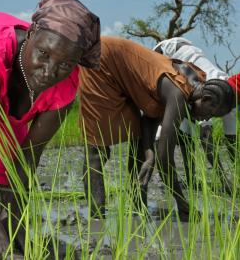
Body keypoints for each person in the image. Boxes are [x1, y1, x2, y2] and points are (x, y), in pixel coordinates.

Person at [0, 0, 100, 259]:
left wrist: (16, 234)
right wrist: (1, 246)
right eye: (44, 54)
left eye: (65, 64)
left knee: (7, 164)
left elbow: (23, 167)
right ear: (33, 31)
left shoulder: (65, 88)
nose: (49, 72)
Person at [79, 36, 235, 220]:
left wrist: (148, 154)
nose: (206, 119)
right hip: (102, 60)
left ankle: (138, 208)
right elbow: (164, 158)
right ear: (207, 99)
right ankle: (96, 218)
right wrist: (181, 202)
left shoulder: (196, 81)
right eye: (211, 113)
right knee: (98, 148)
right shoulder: (179, 94)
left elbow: (150, 116)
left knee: (139, 145)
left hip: (121, 70)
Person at [153, 37, 237, 193]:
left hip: (189, 61)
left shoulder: (229, 102)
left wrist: (236, 167)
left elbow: (232, 141)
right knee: (173, 123)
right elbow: (206, 139)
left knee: (188, 127)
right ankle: (164, 178)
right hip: (167, 54)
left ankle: (190, 179)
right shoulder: (213, 92)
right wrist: (224, 180)